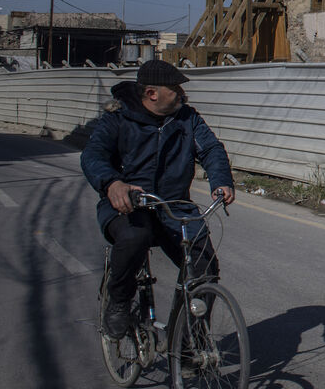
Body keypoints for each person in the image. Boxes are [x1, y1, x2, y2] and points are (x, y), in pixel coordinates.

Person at [81, 59, 236, 338]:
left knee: (203, 266)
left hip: (174, 206)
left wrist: (221, 181)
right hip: (128, 206)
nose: (182, 93)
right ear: (152, 93)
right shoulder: (118, 119)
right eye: (175, 88)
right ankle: (118, 302)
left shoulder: (187, 119)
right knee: (134, 239)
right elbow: (93, 156)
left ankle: (189, 344)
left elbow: (211, 149)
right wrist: (112, 184)